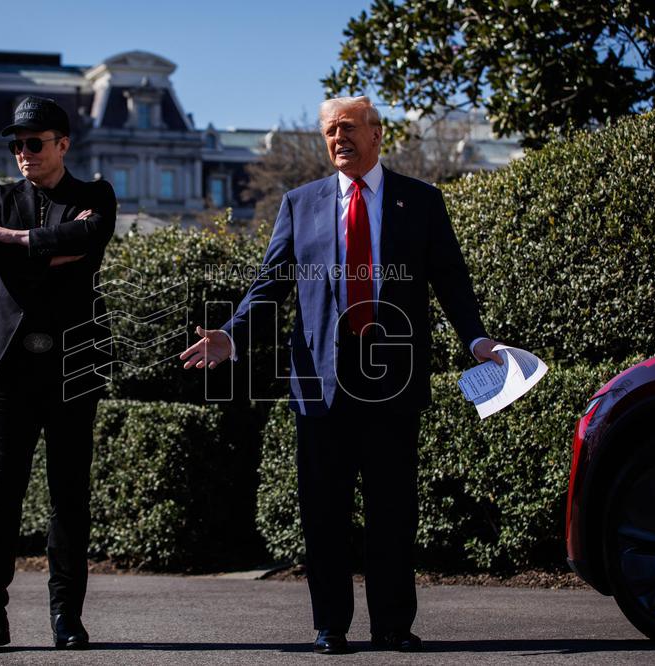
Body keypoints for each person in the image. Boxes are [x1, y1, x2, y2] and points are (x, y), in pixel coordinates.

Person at [180, 96, 503, 654]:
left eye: (348, 128)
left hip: (392, 378)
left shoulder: (420, 202)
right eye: (329, 131)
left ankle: (393, 626)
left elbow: (451, 280)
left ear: (378, 134)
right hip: (319, 383)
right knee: (324, 511)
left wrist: (476, 339)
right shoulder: (300, 204)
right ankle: (330, 626)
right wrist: (231, 333)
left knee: (392, 511)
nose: (337, 139)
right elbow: (271, 285)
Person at [0, 96, 116, 655]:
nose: (23, 153)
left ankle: (65, 617)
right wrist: (43, 248)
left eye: (34, 142)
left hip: (75, 363)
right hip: (11, 367)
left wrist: (11, 241)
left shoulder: (94, 195)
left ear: (62, 144)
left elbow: (90, 242)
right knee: (0, 493)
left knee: (69, 495)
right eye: (16, 145)